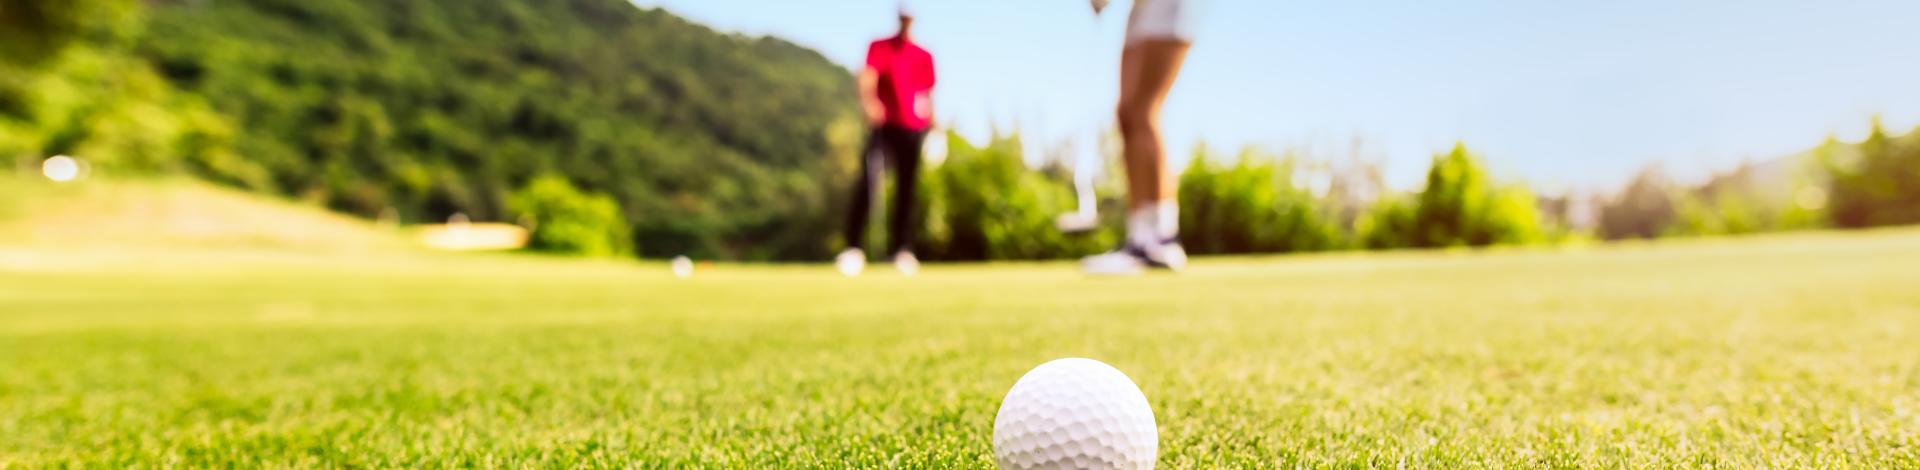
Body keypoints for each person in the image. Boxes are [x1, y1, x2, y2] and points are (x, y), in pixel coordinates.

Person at [1079, 0, 1204, 275]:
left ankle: (1162, 239)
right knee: (1127, 114)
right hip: (1143, 8)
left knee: (1144, 111)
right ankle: (1140, 238)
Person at [837, 2, 936, 277]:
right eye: (903, 16)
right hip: (883, 126)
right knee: (869, 182)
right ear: (898, 17)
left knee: (907, 190)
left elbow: (928, 95)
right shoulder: (880, 46)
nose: (906, 21)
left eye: (910, 17)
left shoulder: (924, 55)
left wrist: (935, 128)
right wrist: (869, 103)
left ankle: (902, 249)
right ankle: (853, 248)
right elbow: (867, 76)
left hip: (913, 129)